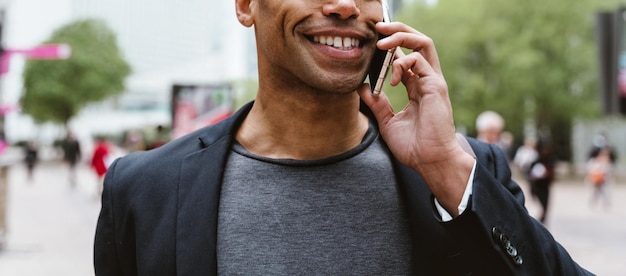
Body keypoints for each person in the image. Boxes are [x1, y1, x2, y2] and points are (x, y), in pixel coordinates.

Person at [94, 0, 591, 275]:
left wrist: (445, 167)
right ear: (246, 6)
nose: (344, 5)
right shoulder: (143, 191)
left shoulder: (461, 173)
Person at [527, 138, 556, 224]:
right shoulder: (535, 161)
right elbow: (530, 174)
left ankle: (542, 221)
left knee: (546, 206)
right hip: (537, 185)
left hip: (545, 186)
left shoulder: (550, 160)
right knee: (540, 205)